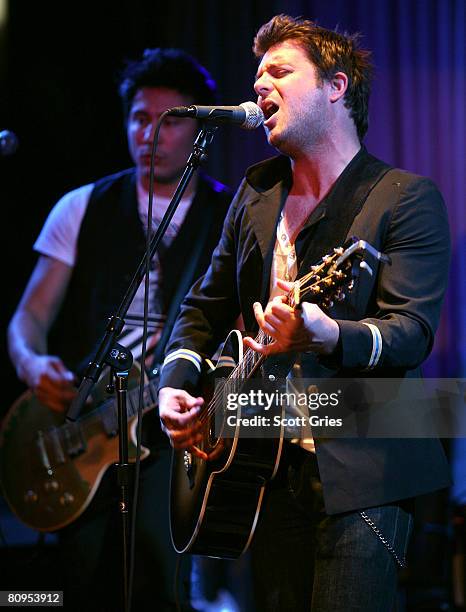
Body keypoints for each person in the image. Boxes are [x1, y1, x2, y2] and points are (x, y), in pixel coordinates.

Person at [157, 15, 452, 612]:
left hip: (365, 469)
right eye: (256, 74)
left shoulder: (402, 197)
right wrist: (177, 383)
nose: (260, 85)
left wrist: (325, 333)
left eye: (280, 71)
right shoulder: (257, 191)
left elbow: (411, 332)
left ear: (336, 87)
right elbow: (203, 306)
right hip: (262, 470)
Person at [7, 48, 232, 611]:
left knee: (161, 586)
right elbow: (29, 317)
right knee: (74, 586)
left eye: (171, 119)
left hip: (170, 428)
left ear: (200, 128)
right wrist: (32, 363)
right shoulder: (80, 206)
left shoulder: (230, 218)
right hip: (82, 422)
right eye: (138, 117)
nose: (149, 133)